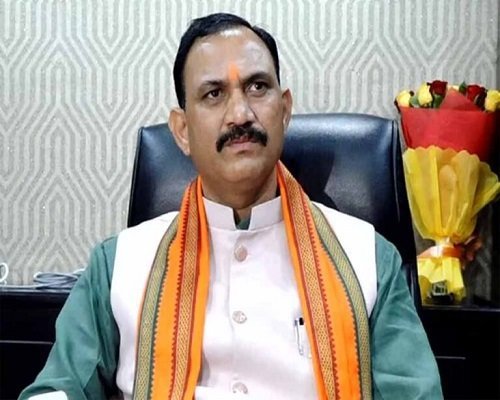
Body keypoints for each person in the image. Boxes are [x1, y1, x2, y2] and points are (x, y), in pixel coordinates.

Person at [20, 12, 442, 400]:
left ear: (284, 111)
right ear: (181, 131)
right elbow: (59, 388)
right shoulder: (119, 265)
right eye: (213, 94)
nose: (240, 113)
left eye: (257, 87)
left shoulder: (368, 259)